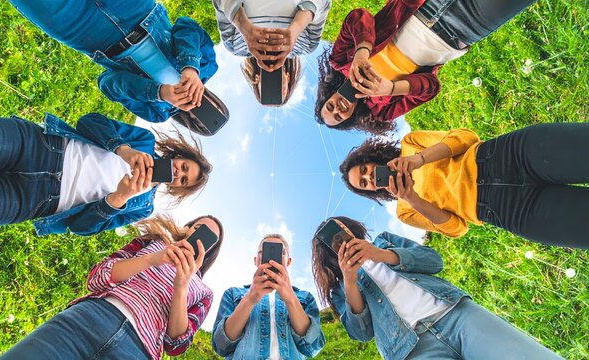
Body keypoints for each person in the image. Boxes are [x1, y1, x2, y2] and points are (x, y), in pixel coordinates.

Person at [311, 216, 563, 360]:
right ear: (329, 254)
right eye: (333, 241)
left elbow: (434, 261)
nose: (341, 237)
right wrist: (350, 280)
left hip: (455, 315)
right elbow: (362, 333)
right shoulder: (341, 288)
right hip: (410, 350)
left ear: (348, 226)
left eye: (340, 229)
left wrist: (381, 254)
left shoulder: (384, 241)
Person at [0, 215, 224, 360]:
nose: (200, 235)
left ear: (211, 250)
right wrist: (153, 259)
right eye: (198, 227)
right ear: (188, 228)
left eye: (209, 237)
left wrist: (181, 287)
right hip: (89, 318)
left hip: (137, 351)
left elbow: (176, 345)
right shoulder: (152, 244)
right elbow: (96, 278)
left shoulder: (203, 293)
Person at [339, 123, 589, 249]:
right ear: (371, 192)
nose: (369, 177)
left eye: (364, 170)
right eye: (364, 184)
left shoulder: (411, 144)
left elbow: (465, 138)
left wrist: (419, 159)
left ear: (369, 160)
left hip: (508, 156)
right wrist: (413, 198)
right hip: (511, 210)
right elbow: (456, 228)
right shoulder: (406, 211)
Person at [0, 112, 212, 236]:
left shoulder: (143, 206)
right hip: (37, 147)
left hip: (31, 200)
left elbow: (82, 228)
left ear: (177, 189)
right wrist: (123, 150)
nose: (178, 174)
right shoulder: (144, 141)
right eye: (185, 168)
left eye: (183, 181)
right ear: (179, 157)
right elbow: (88, 122)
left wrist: (119, 198)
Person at [315, 0, 536, 135]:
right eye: (338, 117)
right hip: (460, 30)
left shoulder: (341, 61)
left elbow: (358, 17)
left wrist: (362, 51)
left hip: (425, 6)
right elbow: (431, 87)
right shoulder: (382, 110)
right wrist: (391, 88)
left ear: (329, 95)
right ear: (349, 119)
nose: (337, 109)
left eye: (330, 106)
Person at [9, 0, 222, 133]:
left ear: (191, 124)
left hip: (91, 35)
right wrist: (190, 67)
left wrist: (158, 92)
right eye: (214, 109)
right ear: (214, 100)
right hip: (134, 9)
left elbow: (108, 83)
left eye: (199, 122)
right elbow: (186, 26)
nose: (198, 111)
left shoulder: (157, 113)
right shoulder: (207, 66)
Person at [212, 234, 325, 359]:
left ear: (288, 261)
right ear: (256, 260)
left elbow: (313, 347)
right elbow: (220, 345)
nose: (272, 257)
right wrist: (249, 299)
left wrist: (291, 300)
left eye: (281, 252)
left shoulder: (305, 298)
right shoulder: (233, 294)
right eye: (263, 251)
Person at [212, 0, 331, 105]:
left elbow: (219, 2)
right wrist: (296, 28)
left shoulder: (234, 46)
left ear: (257, 80)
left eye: (267, 90)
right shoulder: (307, 45)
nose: (274, 87)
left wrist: (244, 27)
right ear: (288, 78)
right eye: (281, 90)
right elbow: (324, 3)